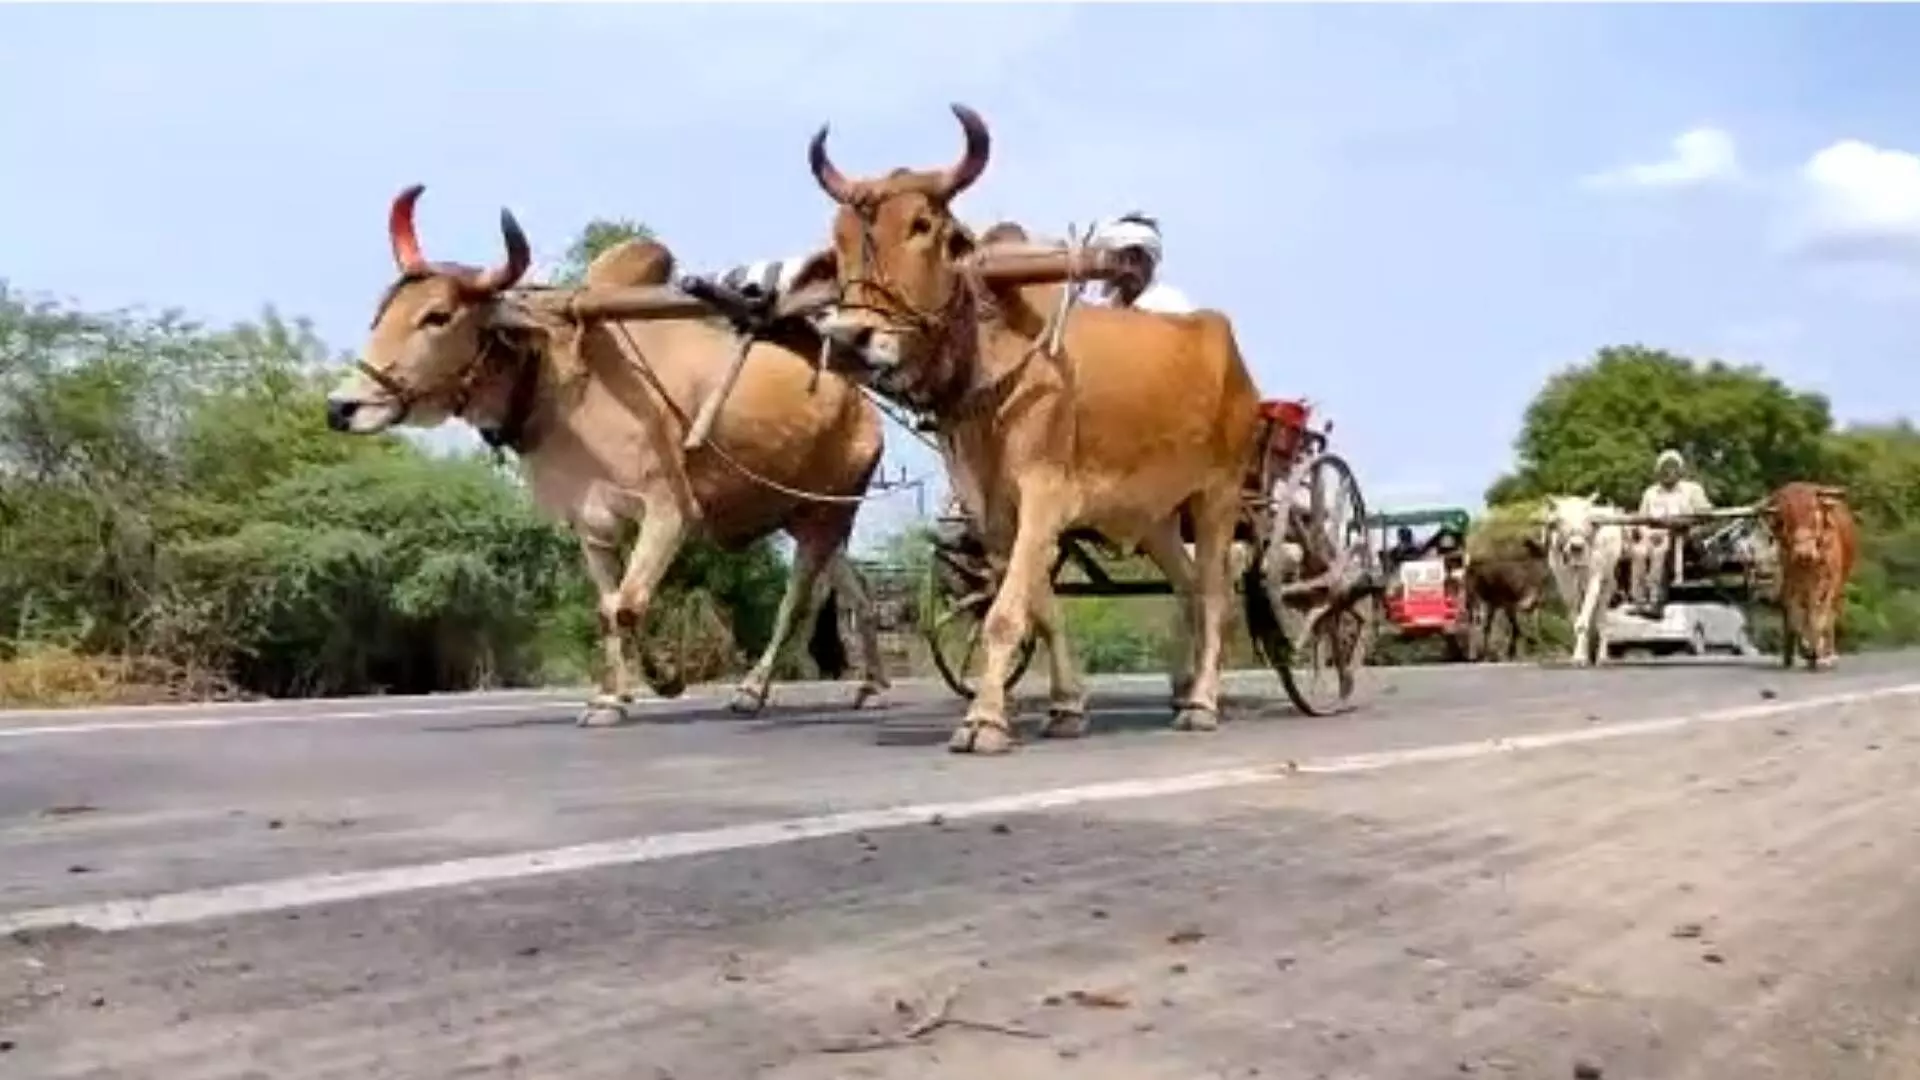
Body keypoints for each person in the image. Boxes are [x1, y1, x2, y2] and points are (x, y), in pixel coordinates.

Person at [1632, 448, 1713, 610]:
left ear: (1680, 470)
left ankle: (1656, 601)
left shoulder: (1692, 490)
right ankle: (1638, 600)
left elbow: (1706, 513)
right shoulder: (1650, 493)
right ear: (1658, 471)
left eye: (1673, 467)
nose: (1669, 472)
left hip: (1680, 536)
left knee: (1660, 552)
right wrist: (1646, 534)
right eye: (1665, 468)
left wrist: (1688, 521)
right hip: (1651, 534)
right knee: (1638, 552)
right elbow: (1641, 519)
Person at [1087, 213, 1196, 315]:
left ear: (1152, 263)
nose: (1127, 269)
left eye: (1135, 260)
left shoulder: (1170, 307)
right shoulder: (1100, 307)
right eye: (1119, 260)